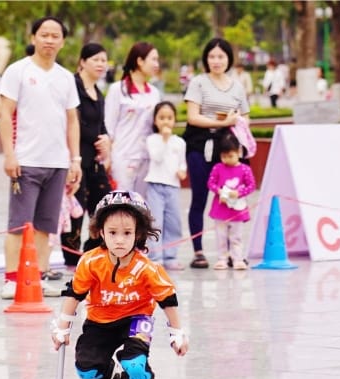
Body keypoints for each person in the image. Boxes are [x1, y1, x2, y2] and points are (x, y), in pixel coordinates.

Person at [51, 190, 189, 379]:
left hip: (137, 319)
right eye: (112, 232)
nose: (119, 240)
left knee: (134, 362)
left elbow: (167, 298)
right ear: (101, 232)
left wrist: (177, 333)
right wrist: (61, 329)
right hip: (99, 321)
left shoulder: (146, 268)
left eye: (127, 233)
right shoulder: (91, 262)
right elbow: (74, 294)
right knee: (86, 369)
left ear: (139, 234)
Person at [0, 16, 81, 300]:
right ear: (33, 37)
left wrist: (75, 160)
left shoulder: (66, 77)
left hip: (57, 162)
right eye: (43, 34)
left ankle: (38, 275)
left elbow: (72, 121)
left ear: (62, 41)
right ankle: (11, 279)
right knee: (19, 224)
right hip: (25, 161)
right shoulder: (17, 71)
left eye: (54, 35)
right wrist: (9, 155)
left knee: (46, 226)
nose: (49, 40)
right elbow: (4, 113)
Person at [182, 37, 249, 269]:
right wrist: (222, 121)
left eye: (221, 56)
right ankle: (198, 251)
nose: (216, 61)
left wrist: (233, 123)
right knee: (199, 199)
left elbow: (244, 117)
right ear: (206, 59)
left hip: (227, 150)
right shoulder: (198, 83)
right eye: (212, 56)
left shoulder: (237, 86)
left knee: (231, 197)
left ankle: (233, 252)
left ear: (229, 58)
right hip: (200, 145)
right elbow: (192, 116)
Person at [60, 42, 112, 268]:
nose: (101, 64)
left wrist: (107, 140)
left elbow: (100, 124)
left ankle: (93, 248)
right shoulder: (73, 86)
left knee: (104, 205)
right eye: (96, 60)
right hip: (76, 157)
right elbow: (71, 122)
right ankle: (71, 257)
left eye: (104, 60)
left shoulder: (98, 92)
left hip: (95, 161)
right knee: (76, 208)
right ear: (82, 62)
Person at [104, 41, 161, 198]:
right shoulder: (118, 89)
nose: (157, 64)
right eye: (153, 59)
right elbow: (108, 127)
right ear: (140, 61)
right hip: (123, 157)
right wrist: (107, 158)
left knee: (142, 207)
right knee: (122, 204)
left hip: (148, 158)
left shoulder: (154, 93)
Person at [145, 101, 186, 271]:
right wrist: (164, 139)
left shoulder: (180, 142)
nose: (166, 122)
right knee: (156, 222)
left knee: (173, 222)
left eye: (169, 118)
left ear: (175, 120)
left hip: (173, 187)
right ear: (155, 120)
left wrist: (182, 171)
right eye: (161, 118)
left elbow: (181, 162)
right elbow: (157, 158)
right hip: (155, 185)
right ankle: (155, 256)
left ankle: (171, 256)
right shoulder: (152, 140)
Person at [206, 133, 255, 270]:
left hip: (237, 211)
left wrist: (239, 193)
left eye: (230, 156)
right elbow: (210, 183)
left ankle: (237, 258)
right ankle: (222, 258)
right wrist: (220, 191)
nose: (227, 160)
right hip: (221, 209)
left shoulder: (245, 169)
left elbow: (251, 186)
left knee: (236, 236)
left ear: (238, 152)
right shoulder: (218, 168)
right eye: (224, 156)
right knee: (221, 236)